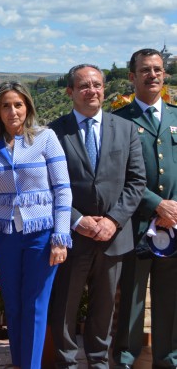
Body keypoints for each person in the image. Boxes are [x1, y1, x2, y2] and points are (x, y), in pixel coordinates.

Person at [49, 64, 146, 368]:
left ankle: (98, 361)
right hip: (73, 235)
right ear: (70, 92)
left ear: (104, 89)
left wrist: (113, 220)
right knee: (65, 305)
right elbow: (48, 184)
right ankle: (66, 362)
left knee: (104, 308)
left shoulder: (126, 129)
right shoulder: (54, 131)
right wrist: (78, 220)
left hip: (112, 236)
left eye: (97, 85)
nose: (92, 91)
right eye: (84, 86)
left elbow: (136, 181)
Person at [0, 81, 72, 369]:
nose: (12, 111)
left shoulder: (45, 138)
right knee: (15, 306)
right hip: (4, 236)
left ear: (28, 107)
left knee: (35, 307)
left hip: (41, 235)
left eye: (18, 104)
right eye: (5, 105)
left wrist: (61, 236)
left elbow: (63, 189)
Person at [113, 48, 177, 368]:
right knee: (133, 301)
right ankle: (125, 359)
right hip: (135, 225)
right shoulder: (118, 121)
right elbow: (116, 176)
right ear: (132, 77)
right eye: (146, 70)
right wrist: (156, 204)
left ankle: (168, 359)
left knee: (170, 299)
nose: (153, 75)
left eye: (158, 69)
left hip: (174, 225)